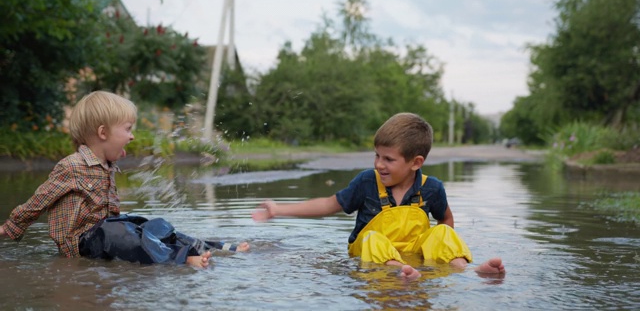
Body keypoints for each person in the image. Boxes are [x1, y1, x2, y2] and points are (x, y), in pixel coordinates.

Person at [0, 90, 249, 268]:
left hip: (106, 230)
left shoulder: (108, 165)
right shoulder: (72, 166)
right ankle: (182, 259)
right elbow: (39, 200)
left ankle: (209, 246)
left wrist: (131, 225)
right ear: (103, 132)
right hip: (82, 242)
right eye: (128, 129)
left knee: (147, 224)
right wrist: (10, 228)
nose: (132, 137)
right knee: (118, 230)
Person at [253, 112, 505, 280]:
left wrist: (439, 257)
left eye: (388, 159)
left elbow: (446, 221)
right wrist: (279, 209)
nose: (379, 164)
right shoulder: (366, 182)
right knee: (374, 237)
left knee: (442, 232)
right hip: (371, 252)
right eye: (377, 155)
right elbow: (328, 204)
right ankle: (400, 272)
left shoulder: (432, 188)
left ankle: (467, 270)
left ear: (416, 162)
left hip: (413, 255)